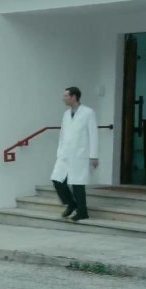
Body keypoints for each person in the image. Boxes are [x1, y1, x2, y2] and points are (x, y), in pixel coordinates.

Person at [50, 86, 99, 222]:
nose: (64, 98)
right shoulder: (66, 114)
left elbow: (93, 135)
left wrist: (93, 155)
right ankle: (71, 204)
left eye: (66, 96)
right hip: (65, 154)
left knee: (78, 183)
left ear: (74, 97)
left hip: (80, 154)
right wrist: (59, 151)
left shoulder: (88, 113)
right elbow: (63, 134)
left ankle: (83, 212)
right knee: (57, 179)